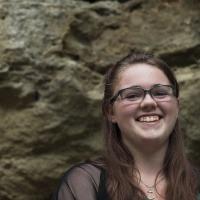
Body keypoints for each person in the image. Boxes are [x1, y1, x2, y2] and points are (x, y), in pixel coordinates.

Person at [54, 52, 200, 200]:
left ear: (177, 106)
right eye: (132, 95)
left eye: (160, 92)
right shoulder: (85, 183)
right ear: (110, 112)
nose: (149, 102)